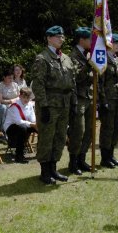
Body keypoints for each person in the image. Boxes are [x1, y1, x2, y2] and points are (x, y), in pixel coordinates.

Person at [32, 26, 75, 185]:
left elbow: (72, 81)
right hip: (49, 104)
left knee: (60, 136)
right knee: (47, 137)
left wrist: (73, 101)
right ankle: (45, 171)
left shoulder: (66, 58)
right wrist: (43, 106)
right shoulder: (42, 58)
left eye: (62, 37)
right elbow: (38, 84)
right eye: (57, 37)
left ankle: (54, 168)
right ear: (49, 38)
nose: (61, 39)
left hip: (64, 103)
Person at [98, 33, 118, 168]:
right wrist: (102, 101)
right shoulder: (102, 59)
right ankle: (105, 158)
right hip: (108, 98)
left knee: (117, 128)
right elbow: (100, 83)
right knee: (107, 129)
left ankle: (111, 154)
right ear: (109, 44)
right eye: (115, 42)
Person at [67, 27, 93, 175]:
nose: (92, 42)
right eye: (89, 39)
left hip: (89, 97)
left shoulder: (87, 54)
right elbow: (76, 78)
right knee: (78, 131)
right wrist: (89, 64)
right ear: (81, 40)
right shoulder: (73, 56)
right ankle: (73, 161)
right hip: (78, 98)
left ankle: (82, 159)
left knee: (89, 131)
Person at [3, 87, 37, 164]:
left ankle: (42, 152)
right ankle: (19, 156)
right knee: (23, 128)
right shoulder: (14, 105)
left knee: (40, 128)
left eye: (28, 97)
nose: (26, 99)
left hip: (25, 125)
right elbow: (18, 121)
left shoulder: (30, 105)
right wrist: (32, 124)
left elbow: (32, 118)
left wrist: (36, 125)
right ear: (20, 96)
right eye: (24, 97)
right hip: (11, 128)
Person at [0, 69, 20, 139]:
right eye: (9, 78)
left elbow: (19, 96)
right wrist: (10, 102)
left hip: (15, 104)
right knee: (4, 108)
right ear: (4, 77)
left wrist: (13, 101)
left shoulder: (15, 85)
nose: (11, 79)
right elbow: (0, 100)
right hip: (5, 104)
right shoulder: (0, 86)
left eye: (12, 77)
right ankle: (2, 131)